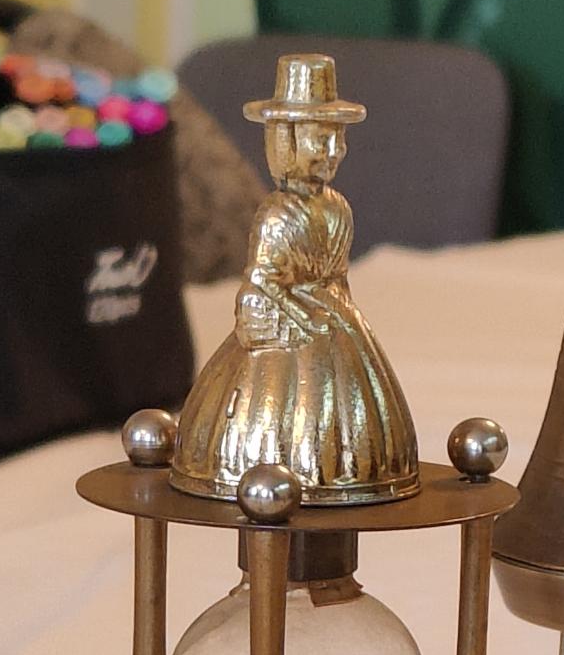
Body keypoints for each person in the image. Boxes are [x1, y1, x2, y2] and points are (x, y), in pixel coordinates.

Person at [171, 54, 418, 504]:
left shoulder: (338, 207)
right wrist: (291, 317)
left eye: (338, 141)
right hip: (291, 327)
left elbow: (338, 278)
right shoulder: (277, 215)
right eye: (319, 140)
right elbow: (260, 284)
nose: (333, 152)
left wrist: (337, 315)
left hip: (339, 327)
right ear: (284, 142)